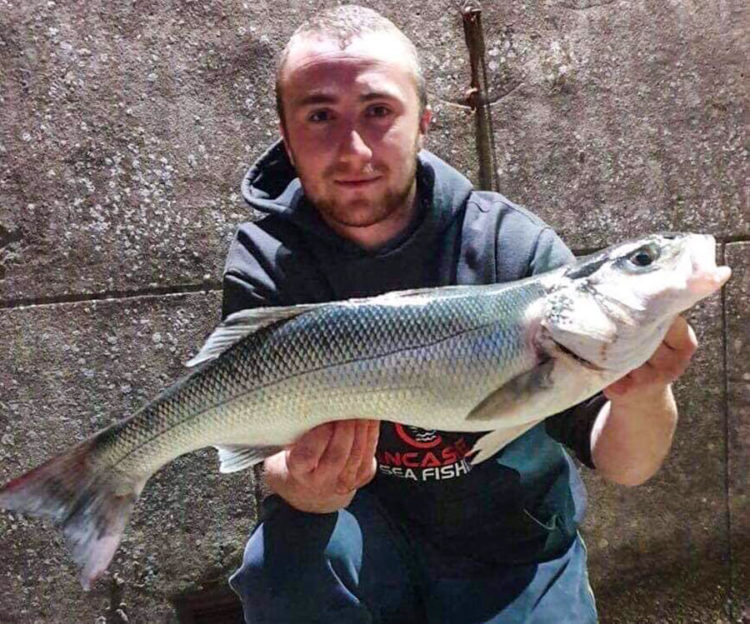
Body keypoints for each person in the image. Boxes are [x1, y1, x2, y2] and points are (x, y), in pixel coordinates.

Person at [224, 6, 697, 623]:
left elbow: (628, 465)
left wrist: (643, 391)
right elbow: (258, 446)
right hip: (356, 528)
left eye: (378, 111)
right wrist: (294, 481)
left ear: (423, 123)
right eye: (320, 116)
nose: (354, 148)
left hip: (512, 541)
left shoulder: (518, 252)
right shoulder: (268, 261)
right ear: (286, 139)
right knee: (281, 572)